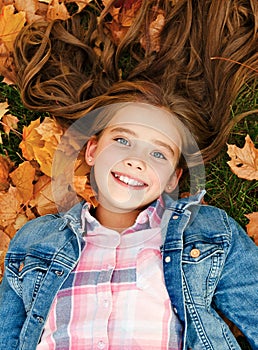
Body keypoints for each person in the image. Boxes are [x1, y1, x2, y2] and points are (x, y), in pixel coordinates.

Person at [0, 0, 258, 349]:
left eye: (157, 153)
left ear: (173, 178)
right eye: (122, 140)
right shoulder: (35, 241)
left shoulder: (210, 233)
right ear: (92, 151)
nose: (136, 161)